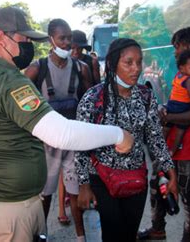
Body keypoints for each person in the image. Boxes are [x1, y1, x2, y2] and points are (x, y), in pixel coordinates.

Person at [0, 6, 135, 242]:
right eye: (23, 39)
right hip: (5, 211)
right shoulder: (7, 79)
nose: (28, 47)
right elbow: (61, 133)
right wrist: (118, 135)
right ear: (2, 38)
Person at [75, 38, 178, 242]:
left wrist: (171, 174)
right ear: (113, 64)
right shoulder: (93, 98)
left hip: (135, 179)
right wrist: (84, 185)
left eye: (139, 62)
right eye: (128, 62)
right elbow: (80, 145)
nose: (136, 69)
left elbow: (156, 139)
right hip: (103, 180)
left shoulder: (146, 96)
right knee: (113, 236)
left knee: (129, 235)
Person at [138, 27, 190, 242]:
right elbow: (178, 101)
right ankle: (157, 229)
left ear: (189, 47)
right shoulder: (184, 70)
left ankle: (188, 239)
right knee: (157, 184)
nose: (174, 51)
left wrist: (169, 117)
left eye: (177, 47)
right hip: (172, 140)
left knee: (189, 197)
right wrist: (164, 108)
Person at [25, 18, 92, 241]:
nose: (67, 43)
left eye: (69, 38)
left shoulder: (81, 69)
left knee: (74, 192)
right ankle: (42, 234)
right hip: (47, 143)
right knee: (45, 194)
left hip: (73, 141)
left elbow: (90, 102)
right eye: (62, 38)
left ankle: (81, 236)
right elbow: (21, 105)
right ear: (51, 40)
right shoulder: (37, 68)